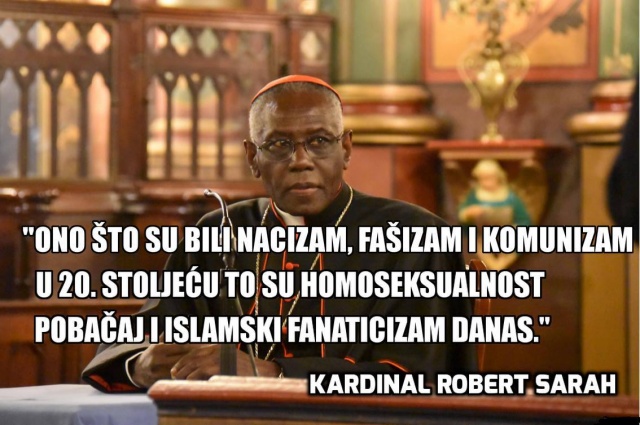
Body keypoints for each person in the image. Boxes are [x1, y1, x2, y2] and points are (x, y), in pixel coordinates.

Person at [82, 75, 475, 392]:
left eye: (319, 141)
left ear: (346, 149)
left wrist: (274, 373)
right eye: (278, 144)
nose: (300, 161)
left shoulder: (415, 235)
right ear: (253, 158)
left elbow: (421, 376)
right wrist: (140, 365)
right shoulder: (219, 232)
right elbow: (135, 337)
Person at [458, 159, 531, 227]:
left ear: (498, 177)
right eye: (482, 178)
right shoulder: (474, 197)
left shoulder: (511, 198)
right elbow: (460, 219)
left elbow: (524, 221)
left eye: (489, 177)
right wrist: (467, 214)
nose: (486, 182)